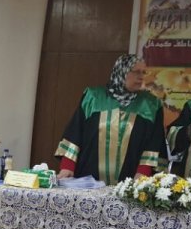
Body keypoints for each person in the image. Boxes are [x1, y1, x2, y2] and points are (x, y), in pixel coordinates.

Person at [54, 54, 165, 185]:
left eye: (143, 72)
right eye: (136, 72)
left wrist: (144, 172)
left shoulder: (151, 105)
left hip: (130, 183)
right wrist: (67, 167)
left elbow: (154, 142)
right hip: (89, 180)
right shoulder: (93, 97)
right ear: (121, 71)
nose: (141, 77)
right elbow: (75, 132)